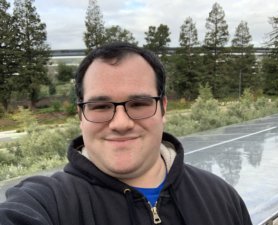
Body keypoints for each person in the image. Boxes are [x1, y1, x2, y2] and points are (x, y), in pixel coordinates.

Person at [0, 42, 252, 225]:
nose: (121, 123)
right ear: (80, 115)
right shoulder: (48, 203)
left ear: (163, 109)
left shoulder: (221, 197)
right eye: (100, 106)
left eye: (139, 104)